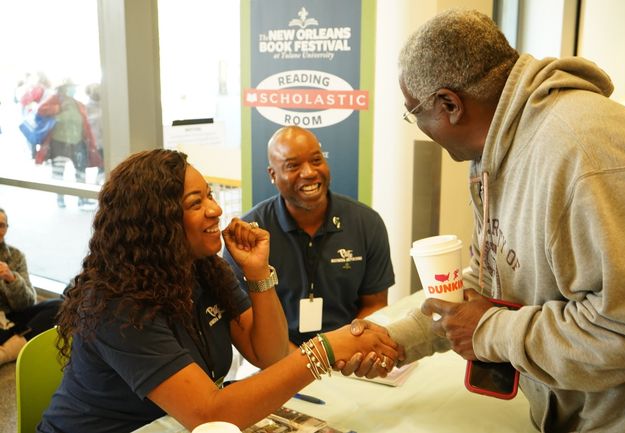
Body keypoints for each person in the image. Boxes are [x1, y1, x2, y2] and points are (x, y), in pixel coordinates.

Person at [345, 9, 625, 433]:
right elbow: (494, 282)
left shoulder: (584, 155)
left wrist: (492, 331)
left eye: (414, 112)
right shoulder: (498, 152)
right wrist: (398, 339)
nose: (418, 126)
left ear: (449, 104)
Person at [38, 149, 399, 433]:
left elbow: (269, 354)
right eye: (196, 203)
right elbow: (209, 412)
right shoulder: (117, 303)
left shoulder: (205, 269)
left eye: (209, 196)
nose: (215, 209)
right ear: (156, 222)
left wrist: (258, 273)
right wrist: (326, 349)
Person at [223, 126, 395, 348]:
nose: (309, 172)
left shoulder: (367, 223)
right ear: (273, 175)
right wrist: (302, 364)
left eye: (316, 160)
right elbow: (245, 322)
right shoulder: (248, 238)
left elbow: (375, 304)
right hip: (277, 356)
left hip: (349, 351)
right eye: (293, 165)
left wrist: (347, 348)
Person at [0, 208, 62, 366]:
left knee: (60, 305)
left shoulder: (16, 256)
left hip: (11, 317)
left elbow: (27, 303)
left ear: (7, 228)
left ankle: (5, 351)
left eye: (2, 225)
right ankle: (13, 342)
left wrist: (12, 279)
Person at [35, 78, 102, 208]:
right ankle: (60, 199)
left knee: (81, 172)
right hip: (59, 142)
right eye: (71, 87)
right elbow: (41, 110)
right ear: (64, 88)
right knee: (58, 172)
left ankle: (82, 199)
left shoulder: (77, 103)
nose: (74, 89)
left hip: (78, 143)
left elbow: (86, 125)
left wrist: (90, 142)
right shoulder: (55, 99)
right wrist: (58, 108)